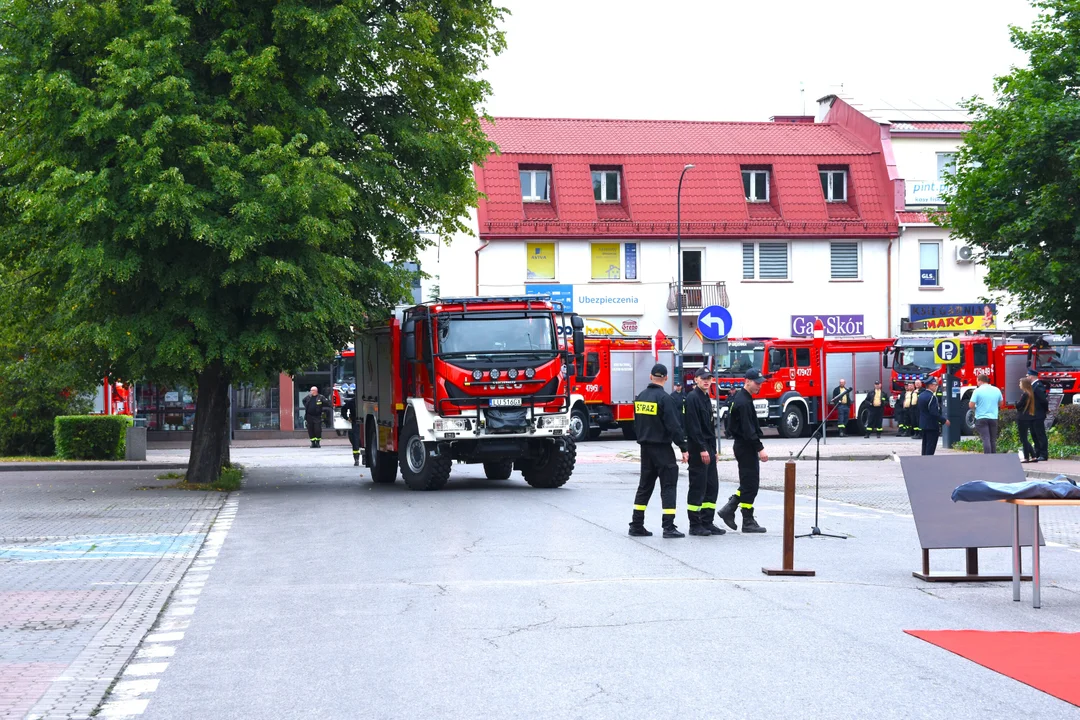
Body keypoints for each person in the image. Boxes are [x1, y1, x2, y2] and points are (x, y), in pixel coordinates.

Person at [629, 363, 689, 538]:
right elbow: (674, 426)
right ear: (666, 378)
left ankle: (636, 524)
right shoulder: (665, 399)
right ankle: (668, 527)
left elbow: (635, 424)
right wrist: (683, 447)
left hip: (645, 449)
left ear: (650, 377)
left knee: (644, 487)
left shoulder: (640, 397)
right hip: (662, 449)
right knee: (668, 486)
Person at [717, 369, 768, 533]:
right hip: (745, 446)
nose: (759, 386)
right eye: (756, 382)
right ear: (747, 381)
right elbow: (748, 429)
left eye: (760, 383)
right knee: (750, 484)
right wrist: (760, 448)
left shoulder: (741, 398)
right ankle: (744, 518)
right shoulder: (744, 402)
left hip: (743, 445)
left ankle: (735, 512)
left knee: (749, 483)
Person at [684, 368, 725, 537]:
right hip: (698, 448)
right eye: (703, 378)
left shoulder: (706, 397)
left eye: (708, 378)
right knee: (698, 486)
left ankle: (707, 521)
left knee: (711, 485)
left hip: (708, 447)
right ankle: (695, 524)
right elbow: (693, 427)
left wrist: (713, 450)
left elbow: (710, 427)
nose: (706, 381)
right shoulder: (693, 398)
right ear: (696, 380)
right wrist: (702, 449)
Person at [969, 375, 1004, 454]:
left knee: (986, 438)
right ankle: (993, 457)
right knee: (992, 439)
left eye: (977, 381)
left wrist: (977, 406)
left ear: (980, 380)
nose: (977, 383)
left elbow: (971, 405)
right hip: (993, 417)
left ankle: (987, 457)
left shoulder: (977, 391)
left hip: (981, 418)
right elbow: (1001, 403)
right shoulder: (996, 390)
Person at [917, 377, 949, 456]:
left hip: (923, 424)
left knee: (925, 444)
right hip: (932, 425)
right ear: (930, 386)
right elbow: (934, 413)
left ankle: (924, 460)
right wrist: (944, 420)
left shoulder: (921, 395)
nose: (936, 386)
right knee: (930, 446)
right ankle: (928, 461)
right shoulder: (932, 397)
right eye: (935, 385)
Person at [1027, 368, 1050, 461]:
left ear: (1032, 376)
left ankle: (1043, 454)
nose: (1027, 377)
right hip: (1033, 414)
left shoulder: (1038, 386)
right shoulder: (1033, 386)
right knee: (1034, 434)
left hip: (1038, 414)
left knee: (1040, 434)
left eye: (1028, 375)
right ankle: (1037, 452)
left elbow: (1043, 400)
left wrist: (1045, 409)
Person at [1017, 377, 1038, 463]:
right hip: (1027, 417)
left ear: (1024, 385)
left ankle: (1026, 457)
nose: (1019, 385)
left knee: (1023, 438)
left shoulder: (1025, 394)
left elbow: (1018, 406)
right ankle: (1033, 456)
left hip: (1022, 418)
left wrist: (1016, 403)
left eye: (1020, 383)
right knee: (1024, 438)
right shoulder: (1030, 394)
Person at [341, 393, 361, 466]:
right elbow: (343, 409)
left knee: (357, 441)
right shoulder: (353, 402)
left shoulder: (352, 401)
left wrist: (347, 417)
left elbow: (343, 409)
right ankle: (357, 459)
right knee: (356, 441)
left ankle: (358, 459)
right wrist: (347, 418)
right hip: (357, 423)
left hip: (358, 423)